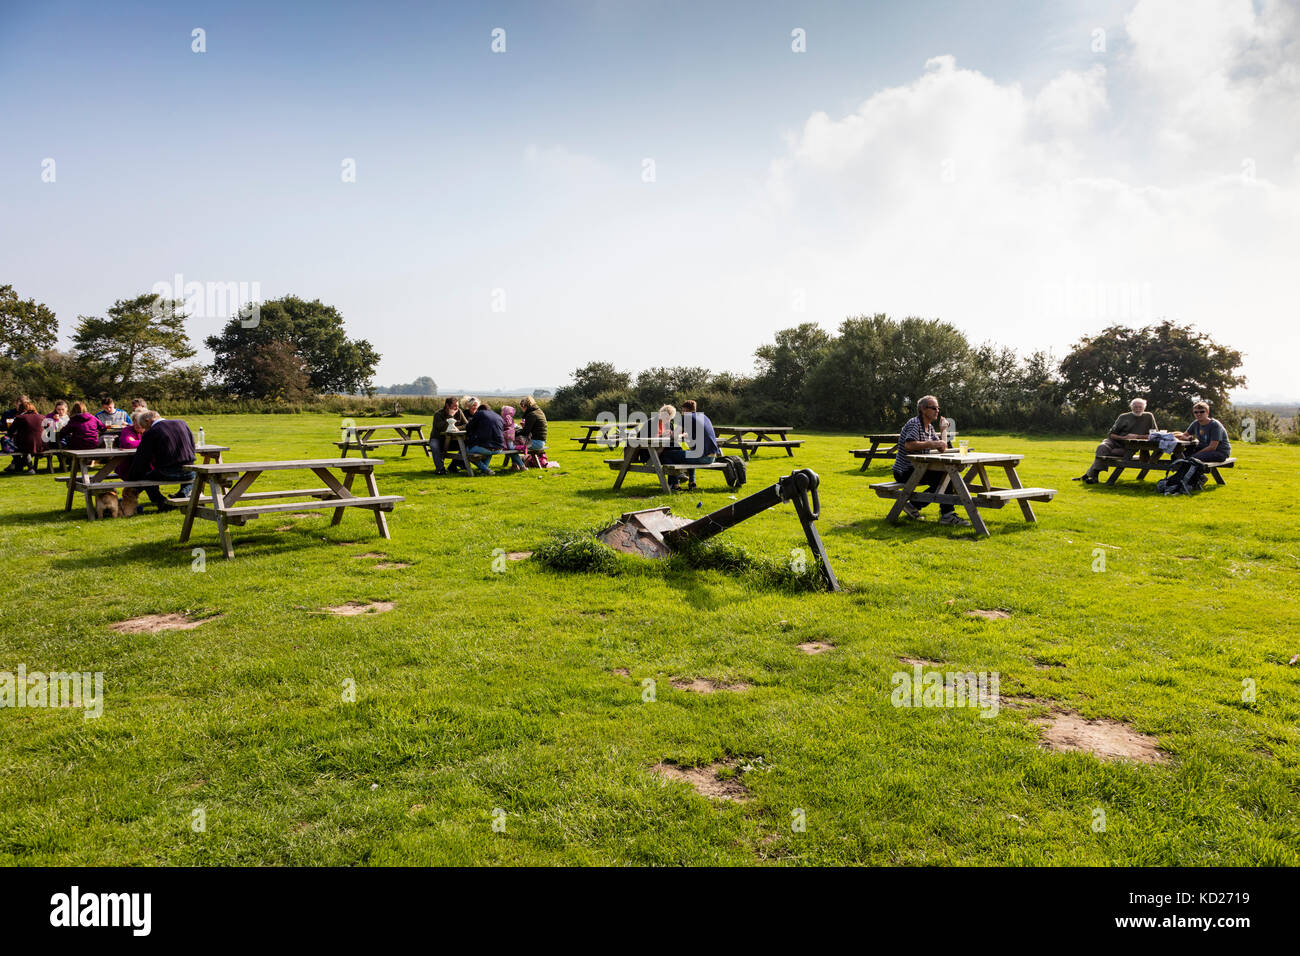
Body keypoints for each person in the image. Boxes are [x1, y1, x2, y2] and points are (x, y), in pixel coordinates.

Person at [893, 395, 971, 526]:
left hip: (918, 468)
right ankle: (947, 515)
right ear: (923, 409)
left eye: (938, 408)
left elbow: (942, 448)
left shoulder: (930, 428)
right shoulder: (915, 424)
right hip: (904, 471)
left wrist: (944, 431)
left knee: (946, 477)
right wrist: (930, 443)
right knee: (947, 477)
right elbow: (909, 445)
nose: (937, 411)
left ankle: (914, 506)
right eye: (934, 408)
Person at [124, 410, 196, 512]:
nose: (144, 429)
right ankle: (181, 496)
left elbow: (141, 459)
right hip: (189, 470)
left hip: (167, 472)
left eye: (144, 426)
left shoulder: (152, 432)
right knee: (196, 476)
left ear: (147, 420)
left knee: (145, 478)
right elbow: (192, 446)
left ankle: (160, 501)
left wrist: (130, 480)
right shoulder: (182, 423)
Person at [1075, 397, 1158, 484]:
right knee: (1102, 447)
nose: (1137, 409)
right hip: (1114, 441)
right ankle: (1095, 478)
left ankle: (1087, 476)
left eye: (1140, 407)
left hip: (1129, 447)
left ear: (1144, 407)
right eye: (1135, 407)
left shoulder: (1148, 416)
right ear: (1131, 407)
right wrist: (1124, 438)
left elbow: (1155, 435)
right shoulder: (1123, 417)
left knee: (1110, 452)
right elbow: (1111, 434)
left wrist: (1137, 436)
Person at [1162, 401, 1231, 495]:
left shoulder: (1215, 425)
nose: (1199, 414)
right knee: (1176, 457)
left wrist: (1196, 455)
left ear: (1207, 412)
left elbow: (1212, 447)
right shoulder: (1195, 423)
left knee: (1193, 460)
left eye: (1202, 412)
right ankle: (1193, 478)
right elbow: (1184, 436)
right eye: (1196, 412)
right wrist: (1188, 438)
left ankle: (1187, 482)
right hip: (1204, 449)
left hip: (1219, 452)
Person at [659, 399, 720, 491]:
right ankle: (692, 483)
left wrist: (669, 433)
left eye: (682, 410)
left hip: (702, 457)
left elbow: (674, 436)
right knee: (689, 452)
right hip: (712, 457)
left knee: (667, 455)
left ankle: (675, 485)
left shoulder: (686, 417)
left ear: (685, 410)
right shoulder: (704, 417)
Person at [4, 400, 45, 473]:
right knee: (27, 446)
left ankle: (20, 466)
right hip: (42, 444)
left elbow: (10, 432)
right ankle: (18, 465)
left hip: (26, 444)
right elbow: (49, 428)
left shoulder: (20, 417)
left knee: (7, 441)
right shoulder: (42, 417)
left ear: (21, 409)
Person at [465, 400, 504, 475]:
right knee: (489, 451)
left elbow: (468, 427)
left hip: (485, 447)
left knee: (465, 452)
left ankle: (486, 469)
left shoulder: (480, 413)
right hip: (499, 448)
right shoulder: (498, 416)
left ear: (479, 410)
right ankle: (485, 471)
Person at [430, 396, 468, 474]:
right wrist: (450, 416)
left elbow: (466, 425)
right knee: (434, 446)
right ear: (447, 406)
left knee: (467, 444)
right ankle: (440, 469)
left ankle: (453, 466)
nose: (457, 408)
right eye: (455, 406)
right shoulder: (438, 414)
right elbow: (443, 428)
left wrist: (457, 428)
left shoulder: (459, 412)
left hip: (454, 440)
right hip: (439, 439)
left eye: (458, 406)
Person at [518, 395, 549, 467]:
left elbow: (525, 432)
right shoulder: (539, 411)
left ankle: (518, 465)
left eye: (522, 408)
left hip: (536, 442)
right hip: (541, 441)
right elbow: (533, 428)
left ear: (525, 406)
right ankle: (518, 464)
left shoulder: (531, 414)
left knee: (512, 446)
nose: (522, 410)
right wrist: (525, 426)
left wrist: (514, 432)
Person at [499, 405, 526, 471]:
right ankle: (516, 465)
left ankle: (521, 447)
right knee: (509, 446)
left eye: (502, 411)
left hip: (507, 433)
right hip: (511, 433)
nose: (501, 412)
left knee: (510, 447)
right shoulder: (510, 417)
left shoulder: (505, 417)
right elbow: (512, 424)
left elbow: (505, 424)